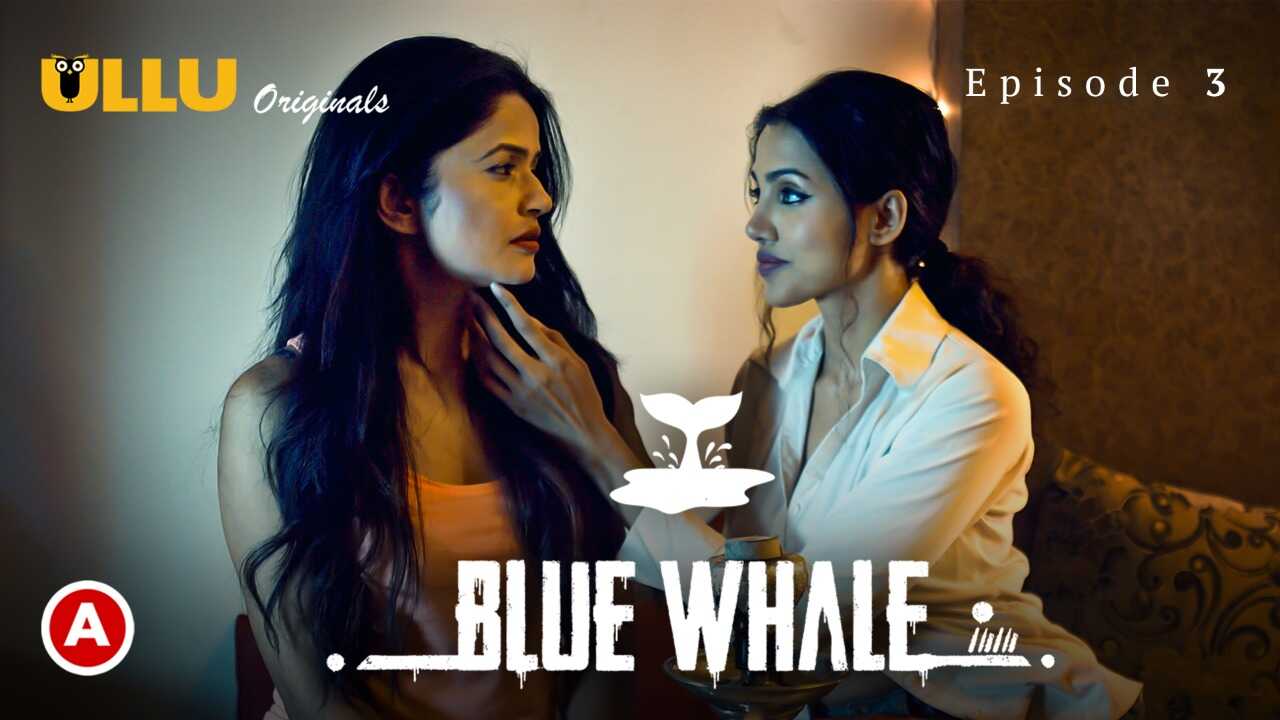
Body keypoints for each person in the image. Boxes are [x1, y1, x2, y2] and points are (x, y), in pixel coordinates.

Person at [469, 71, 1145, 719]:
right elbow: (734, 597)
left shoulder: (969, 396)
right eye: (757, 192)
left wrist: (594, 440)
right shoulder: (766, 377)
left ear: (884, 218)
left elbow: (800, 619)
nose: (756, 224)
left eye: (790, 195)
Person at [217, 36, 644, 719]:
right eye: (503, 168)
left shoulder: (574, 380)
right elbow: (315, 696)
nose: (541, 198)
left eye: (536, 169)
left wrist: (592, 432)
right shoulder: (273, 407)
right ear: (397, 201)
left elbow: (610, 638)